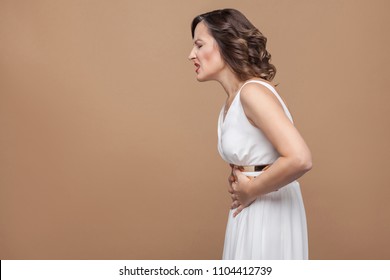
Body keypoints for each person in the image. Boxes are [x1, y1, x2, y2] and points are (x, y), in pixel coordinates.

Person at [188, 9, 312, 260]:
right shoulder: (232, 100)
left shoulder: (252, 93)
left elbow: (300, 158)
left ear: (225, 43)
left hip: (267, 210)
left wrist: (251, 189)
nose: (192, 55)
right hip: (252, 207)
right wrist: (244, 175)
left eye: (199, 45)